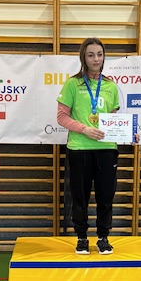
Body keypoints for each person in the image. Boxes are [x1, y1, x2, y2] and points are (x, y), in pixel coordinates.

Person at [56, 37, 121, 255]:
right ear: (83, 57)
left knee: (106, 196)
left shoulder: (111, 85)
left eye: (99, 54)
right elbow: (61, 117)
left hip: (107, 149)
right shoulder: (72, 84)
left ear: (104, 57)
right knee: (80, 196)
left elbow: (114, 119)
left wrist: (128, 131)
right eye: (91, 55)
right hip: (79, 149)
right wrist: (84, 129)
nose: (96, 59)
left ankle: (103, 237)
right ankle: (82, 237)